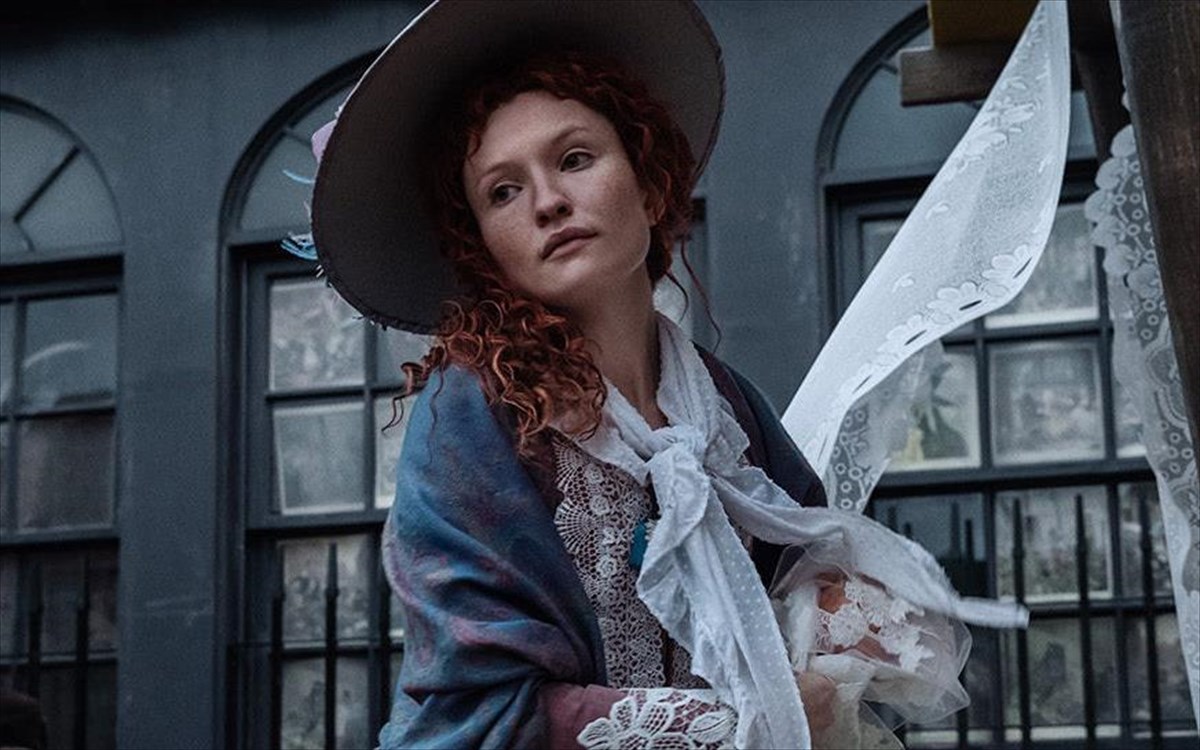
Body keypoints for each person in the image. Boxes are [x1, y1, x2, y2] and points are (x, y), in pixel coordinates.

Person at [299, 1, 1022, 747]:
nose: (548, 202)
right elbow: (478, 707)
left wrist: (828, 626)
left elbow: (804, 565)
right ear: (486, 249)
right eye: (503, 191)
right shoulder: (473, 414)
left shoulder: (722, 406)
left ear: (648, 187)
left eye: (574, 159)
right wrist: (733, 725)